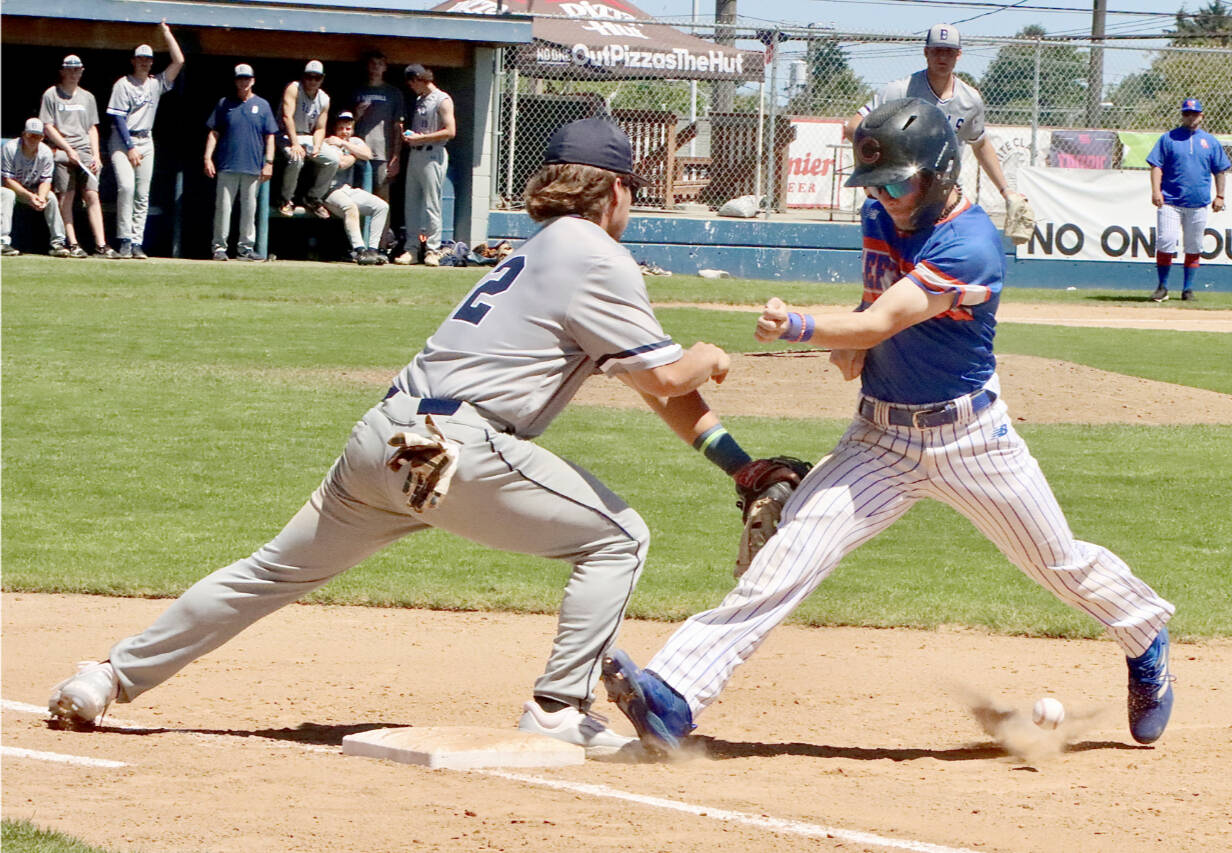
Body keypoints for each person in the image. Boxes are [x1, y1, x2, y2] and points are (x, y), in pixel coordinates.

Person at [48, 118, 768, 759]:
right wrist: (709, 354)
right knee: (619, 537)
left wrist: (737, 464)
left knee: (268, 572)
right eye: (632, 190)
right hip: (452, 446)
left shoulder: (540, 248)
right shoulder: (595, 254)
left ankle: (106, 675)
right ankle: (558, 707)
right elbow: (670, 378)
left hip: (386, 438)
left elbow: (652, 386)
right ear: (612, 189)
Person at [602, 99, 1177, 757]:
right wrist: (851, 343)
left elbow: (885, 320)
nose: (890, 198)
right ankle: (674, 694)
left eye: (901, 182)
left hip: (970, 439)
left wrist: (804, 327)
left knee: (1054, 562)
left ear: (939, 171)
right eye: (877, 185)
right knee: (791, 551)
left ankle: (1143, 630)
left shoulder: (972, 243)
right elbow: (872, 310)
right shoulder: (881, 216)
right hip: (881, 439)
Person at [844, 24, 1024, 214]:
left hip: (944, 195)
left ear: (959, 55)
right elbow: (853, 128)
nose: (943, 58)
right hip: (900, 192)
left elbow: (980, 144)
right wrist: (886, 159)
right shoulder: (900, 91)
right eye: (937, 51)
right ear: (926, 52)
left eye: (949, 52)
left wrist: (1006, 191)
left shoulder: (970, 99)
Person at [106, 21, 185, 259]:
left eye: (148, 59)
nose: (144, 61)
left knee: (143, 193)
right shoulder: (123, 83)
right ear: (133, 60)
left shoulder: (154, 84)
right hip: (123, 140)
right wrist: (129, 148)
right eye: (140, 58)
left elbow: (179, 61)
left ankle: (137, 241)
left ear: (152, 61)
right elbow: (118, 118)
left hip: (146, 140)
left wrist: (167, 34)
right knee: (127, 188)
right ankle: (125, 241)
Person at [1145, 98, 1230, 303]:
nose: (1190, 117)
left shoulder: (1209, 141)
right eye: (1186, 113)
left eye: (1194, 113)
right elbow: (1156, 165)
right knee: (1166, 240)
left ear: (1201, 116)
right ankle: (1162, 286)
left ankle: (1188, 289)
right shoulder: (1169, 138)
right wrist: (1156, 191)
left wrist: (1220, 195)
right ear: (1182, 115)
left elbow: (1220, 169)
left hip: (1198, 202)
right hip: (1171, 201)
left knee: (1194, 245)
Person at [40, 54, 119, 258]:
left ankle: (101, 245)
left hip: (85, 153)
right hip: (61, 153)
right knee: (67, 197)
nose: (74, 73)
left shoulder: (88, 97)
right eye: (70, 69)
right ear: (62, 71)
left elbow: (92, 128)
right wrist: (67, 149)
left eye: (78, 70)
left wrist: (96, 156)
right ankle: (73, 243)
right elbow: (47, 126)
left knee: (92, 195)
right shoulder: (51, 95)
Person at [204, 63, 278, 261]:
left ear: (253, 81)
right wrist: (207, 157)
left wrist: (269, 162)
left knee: (249, 210)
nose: (243, 82)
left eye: (247, 78)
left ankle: (245, 248)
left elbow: (270, 136)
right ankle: (219, 248)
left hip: (253, 167)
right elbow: (214, 132)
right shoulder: (224, 103)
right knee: (223, 209)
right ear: (235, 81)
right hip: (227, 165)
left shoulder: (262, 105)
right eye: (240, 78)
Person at [394, 65, 454, 266]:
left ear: (418, 79)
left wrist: (423, 138)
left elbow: (450, 131)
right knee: (411, 204)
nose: (411, 87)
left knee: (431, 205)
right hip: (415, 154)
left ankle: (433, 250)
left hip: (433, 154)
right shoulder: (420, 99)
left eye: (411, 83)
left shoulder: (442, 99)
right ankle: (411, 249)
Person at [321, 111, 389, 265]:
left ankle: (372, 250)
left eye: (348, 128)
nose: (345, 132)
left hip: (347, 189)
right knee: (350, 207)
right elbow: (341, 164)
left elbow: (367, 154)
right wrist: (353, 155)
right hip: (328, 191)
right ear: (335, 129)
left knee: (381, 206)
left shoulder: (354, 141)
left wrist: (345, 145)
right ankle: (359, 250)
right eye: (341, 128)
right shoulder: (328, 142)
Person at [276, 60, 339, 218]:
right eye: (309, 77)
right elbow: (287, 117)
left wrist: (317, 146)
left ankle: (313, 197)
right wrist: (295, 144)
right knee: (296, 157)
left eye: (316, 78)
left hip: (307, 136)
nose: (312, 81)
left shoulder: (324, 98)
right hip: (286, 133)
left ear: (322, 79)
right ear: (304, 77)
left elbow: (320, 128)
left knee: (333, 159)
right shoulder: (294, 88)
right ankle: (285, 199)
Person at [2, 117, 72, 257]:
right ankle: (2, 242)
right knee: (7, 194)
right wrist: (29, 196)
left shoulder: (45, 152)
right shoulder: (10, 148)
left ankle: (58, 243)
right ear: (24, 134)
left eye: (37, 136)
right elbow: (7, 180)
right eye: (30, 135)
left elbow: (46, 180)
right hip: (9, 188)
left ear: (42, 138)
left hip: (31, 190)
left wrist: (40, 197)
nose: (33, 139)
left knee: (50, 197)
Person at [353, 49, 404, 205]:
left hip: (382, 154)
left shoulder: (394, 93)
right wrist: (357, 114)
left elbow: (398, 127)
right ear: (367, 66)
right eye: (373, 64)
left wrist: (396, 156)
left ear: (385, 68)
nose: (376, 67)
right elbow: (345, 123)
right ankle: (360, 230)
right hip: (357, 151)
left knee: (381, 199)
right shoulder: (357, 91)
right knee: (357, 196)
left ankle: (382, 230)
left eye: (380, 64)